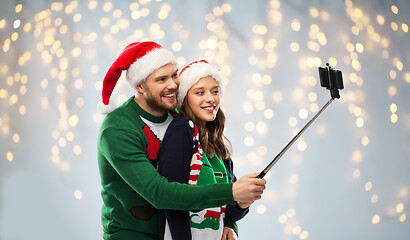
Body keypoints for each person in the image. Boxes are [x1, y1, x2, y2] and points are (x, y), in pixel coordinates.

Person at [97, 41, 266, 239]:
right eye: (161, 79)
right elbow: (158, 193)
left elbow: (218, 170)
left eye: (174, 75)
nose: (173, 84)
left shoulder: (182, 120)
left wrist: (229, 223)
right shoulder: (119, 129)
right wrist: (232, 192)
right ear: (140, 86)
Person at [157, 60, 254, 240]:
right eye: (200, 92)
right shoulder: (181, 129)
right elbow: (172, 200)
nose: (211, 98)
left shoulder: (217, 146)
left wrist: (243, 202)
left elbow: (228, 211)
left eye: (215, 91)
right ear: (185, 98)